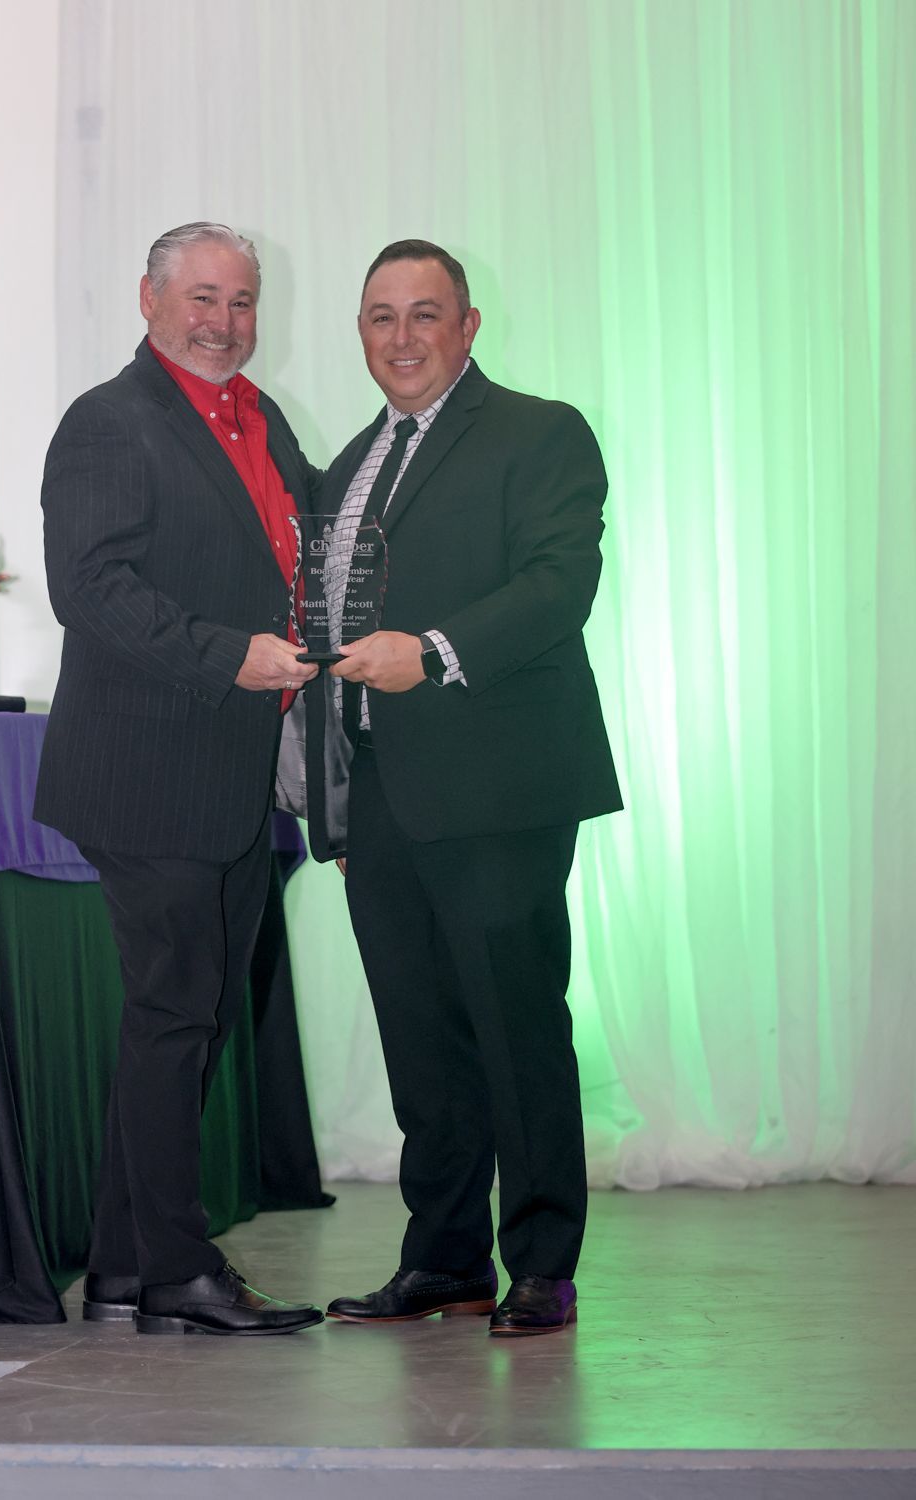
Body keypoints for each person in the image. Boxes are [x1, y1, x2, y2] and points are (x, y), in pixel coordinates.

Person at [309, 239, 622, 1336]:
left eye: (424, 314)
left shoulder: (541, 432)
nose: (402, 338)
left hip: (501, 787)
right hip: (380, 791)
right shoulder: (346, 466)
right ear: (360, 332)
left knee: (516, 1026)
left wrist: (434, 652)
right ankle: (444, 1258)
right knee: (420, 1040)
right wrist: (329, 791)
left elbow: (559, 584)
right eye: (381, 317)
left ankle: (541, 1263)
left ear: (468, 325)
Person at [34, 222, 322, 1337]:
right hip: (146, 770)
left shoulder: (262, 417)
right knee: (174, 1015)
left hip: (233, 775)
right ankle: (178, 1273)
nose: (223, 321)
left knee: (190, 1019)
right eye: (202, 297)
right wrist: (227, 656)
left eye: (241, 301)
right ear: (149, 300)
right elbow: (90, 588)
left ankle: (123, 1269)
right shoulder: (108, 421)